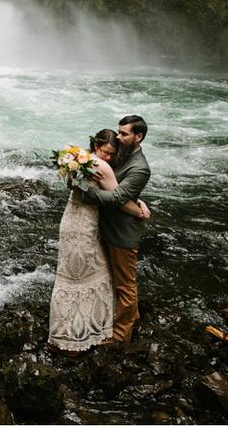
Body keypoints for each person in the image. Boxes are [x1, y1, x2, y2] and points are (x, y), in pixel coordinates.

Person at [47, 129, 150, 353]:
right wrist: (140, 210)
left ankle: (65, 332)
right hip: (86, 225)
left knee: (71, 276)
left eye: (112, 154)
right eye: (106, 152)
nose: (108, 158)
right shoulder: (101, 166)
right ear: (96, 147)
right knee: (95, 275)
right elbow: (120, 199)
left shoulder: (76, 159)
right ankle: (91, 330)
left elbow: (107, 190)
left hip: (71, 221)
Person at [82, 115, 151, 343]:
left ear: (138, 137)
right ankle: (133, 317)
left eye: (124, 133)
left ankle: (121, 337)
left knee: (125, 285)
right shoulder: (120, 152)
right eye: (119, 132)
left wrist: (87, 194)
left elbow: (118, 197)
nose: (118, 136)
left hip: (122, 232)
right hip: (103, 226)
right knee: (110, 280)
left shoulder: (140, 168)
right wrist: (140, 204)